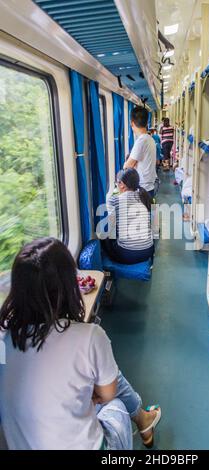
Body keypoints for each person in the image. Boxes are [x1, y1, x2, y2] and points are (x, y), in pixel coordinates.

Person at [0, 238, 161, 450]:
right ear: (69, 285)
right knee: (115, 404)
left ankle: (142, 418)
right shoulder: (90, 336)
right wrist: (89, 397)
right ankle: (142, 419)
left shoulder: (5, 338)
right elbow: (108, 396)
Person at [104, 168, 154, 265]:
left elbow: (110, 228)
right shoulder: (145, 197)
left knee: (104, 238)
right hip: (148, 251)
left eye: (117, 183)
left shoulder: (114, 200)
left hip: (126, 255)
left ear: (122, 184)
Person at [124, 106, 157, 199]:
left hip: (143, 189)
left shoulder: (141, 141)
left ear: (132, 123)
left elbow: (127, 166)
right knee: (150, 212)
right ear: (147, 123)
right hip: (150, 187)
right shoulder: (150, 139)